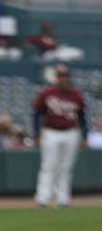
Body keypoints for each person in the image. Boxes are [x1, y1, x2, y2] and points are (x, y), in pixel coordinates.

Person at [33, 65, 87, 208]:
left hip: (71, 132)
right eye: (60, 76)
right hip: (51, 132)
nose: (62, 78)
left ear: (68, 77)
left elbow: (82, 117)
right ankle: (43, 198)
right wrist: (37, 134)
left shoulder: (76, 95)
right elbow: (37, 114)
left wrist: (84, 136)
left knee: (66, 167)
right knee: (48, 166)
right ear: (56, 77)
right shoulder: (47, 93)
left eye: (65, 76)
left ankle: (63, 199)